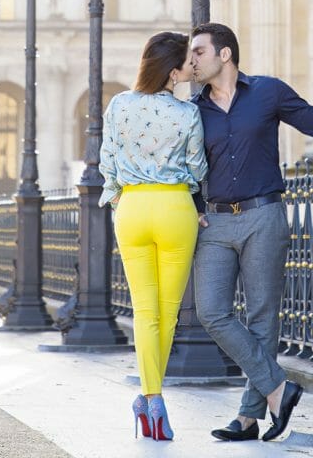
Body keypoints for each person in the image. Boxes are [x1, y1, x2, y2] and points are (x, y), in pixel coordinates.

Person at [190, 22, 313, 442]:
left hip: (264, 214)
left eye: (198, 51)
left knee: (262, 317)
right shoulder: (192, 110)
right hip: (213, 221)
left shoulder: (267, 92)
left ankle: (249, 417)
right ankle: (279, 388)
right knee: (211, 311)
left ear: (225, 54)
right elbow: (183, 166)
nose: (192, 60)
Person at [99, 31, 207, 441]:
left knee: (144, 311)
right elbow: (197, 168)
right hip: (175, 209)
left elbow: (107, 161)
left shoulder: (119, 104)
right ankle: (152, 399)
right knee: (169, 311)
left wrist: (120, 201)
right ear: (173, 72)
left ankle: (151, 398)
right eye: (186, 65)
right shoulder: (187, 114)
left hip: (132, 210)